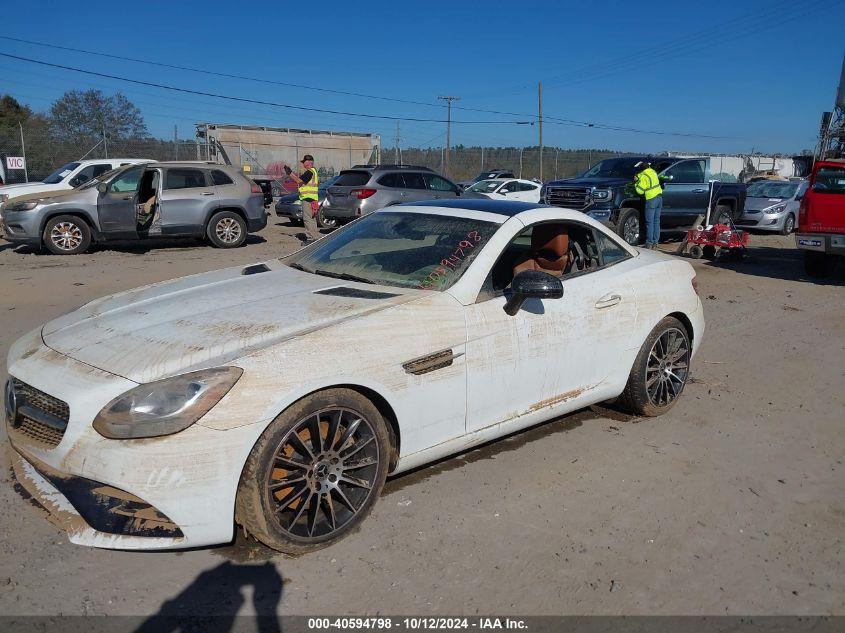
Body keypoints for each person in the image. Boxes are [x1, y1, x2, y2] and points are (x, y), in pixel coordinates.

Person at [285, 155, 320, 243]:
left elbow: (299, 181)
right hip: (313, 199)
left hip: (308, 199)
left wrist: (290, 173)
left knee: (307, 219)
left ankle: (310, 238)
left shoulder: (310, 172)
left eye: (304, 162)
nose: (303, 164)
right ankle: (315, 237)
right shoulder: (314, 171)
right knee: (312, 219)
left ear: (308, 162)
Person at [634, 160, 663, 249]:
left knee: (649, 222)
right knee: (656, 221)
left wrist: (636, 182)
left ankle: (649, 243)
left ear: (641, 170)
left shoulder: (643, 177)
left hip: (651, 199)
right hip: (659, 198)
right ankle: (655, 242)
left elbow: (640, 190)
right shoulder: (653, 172)